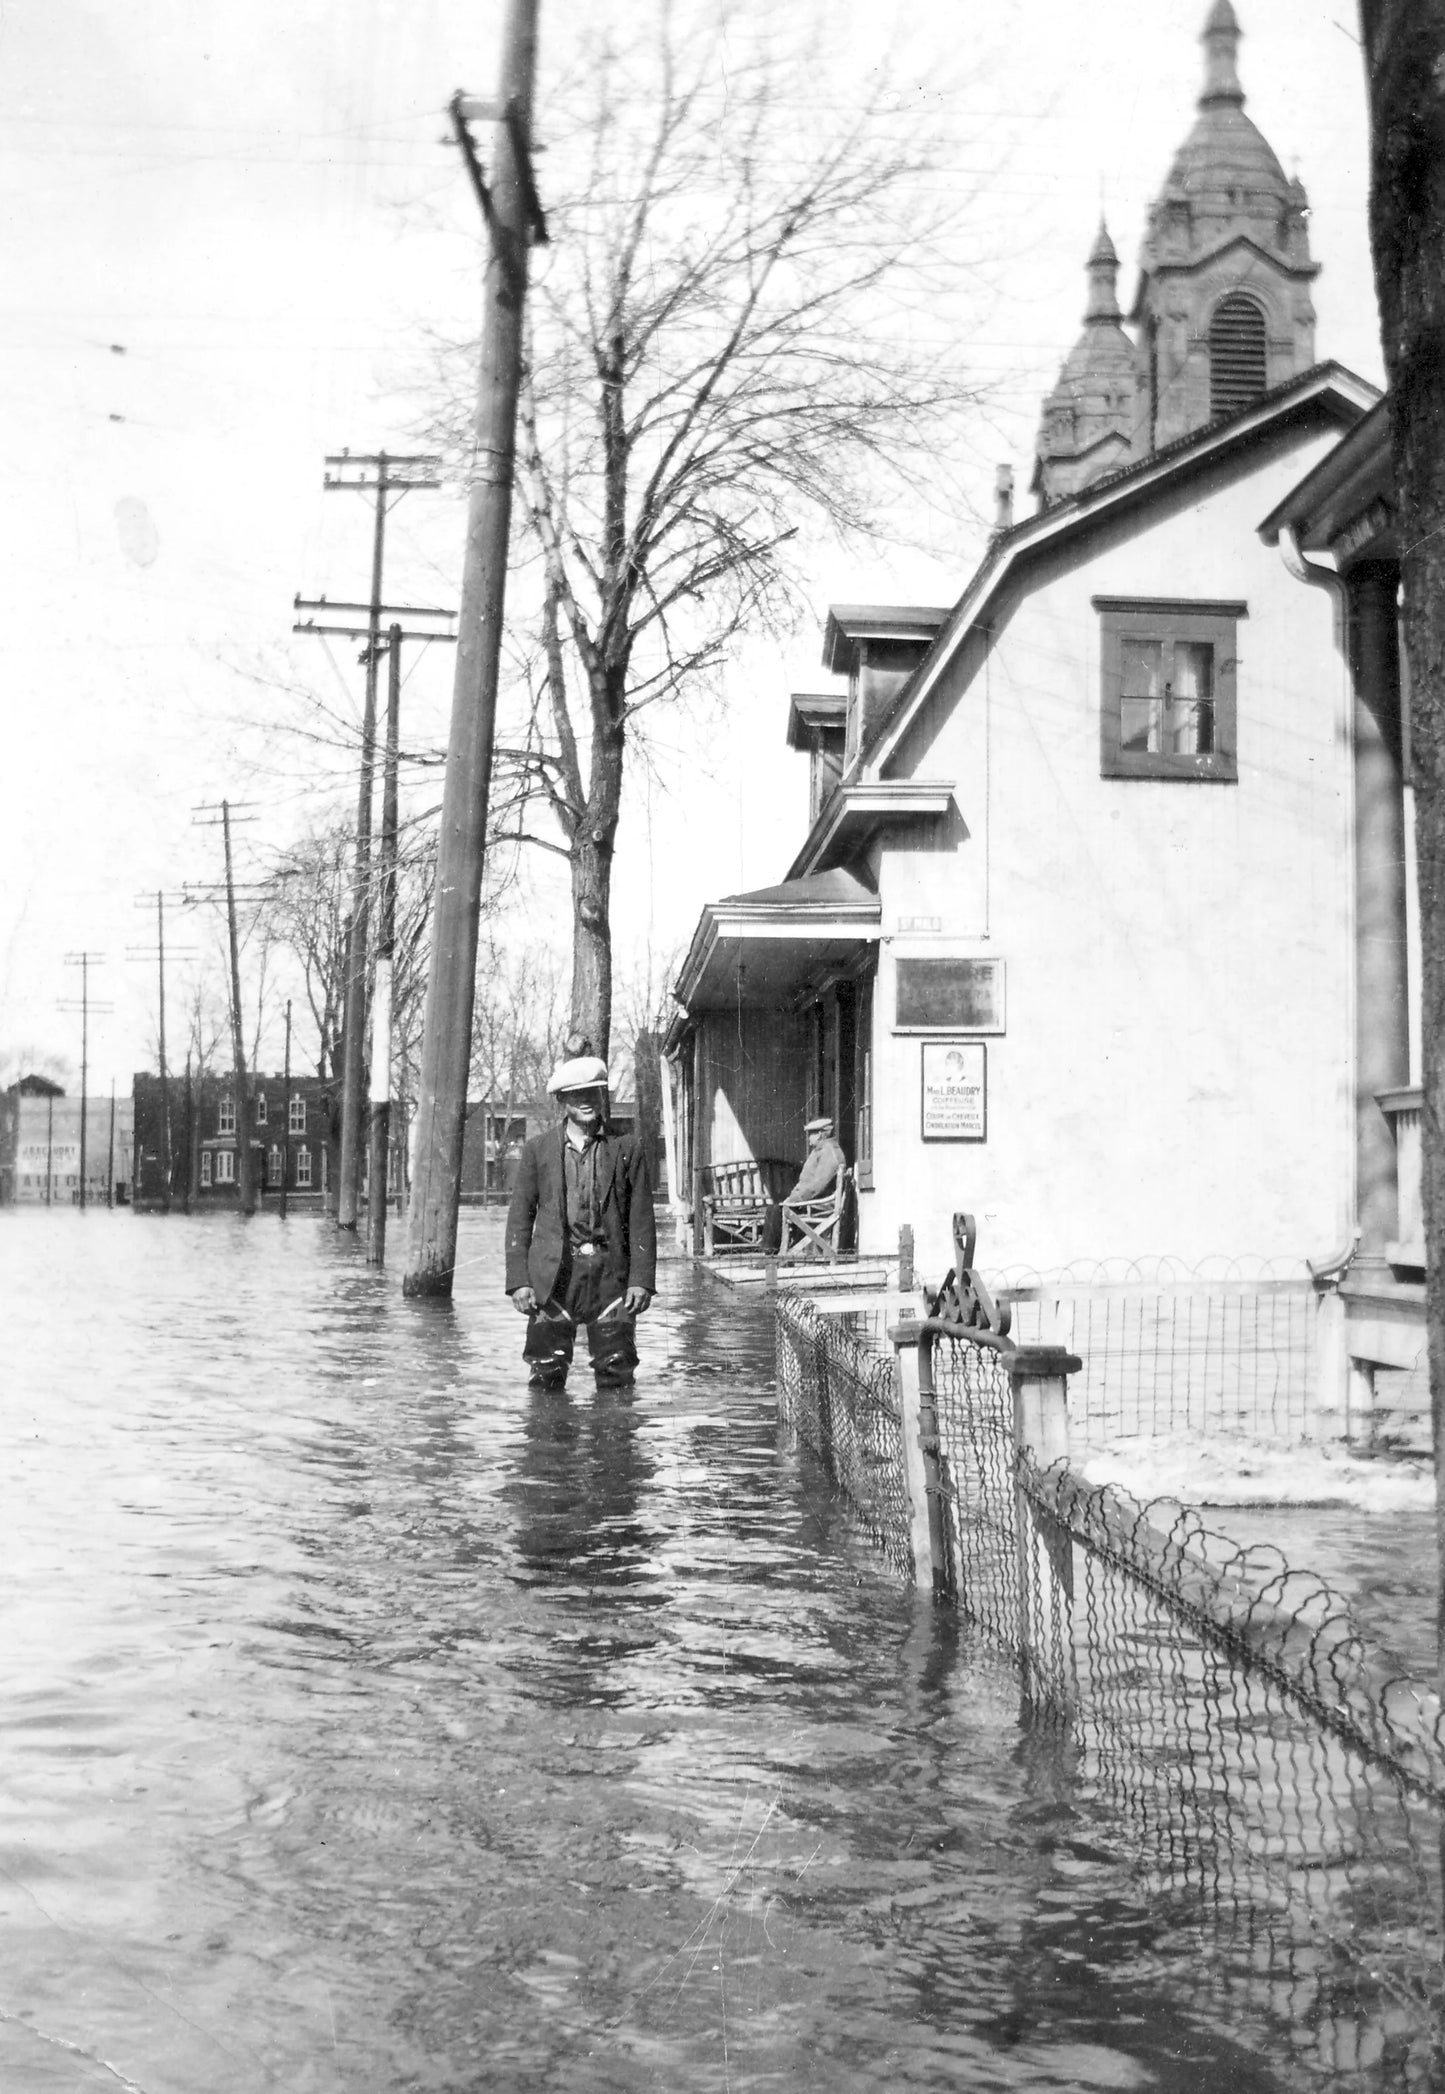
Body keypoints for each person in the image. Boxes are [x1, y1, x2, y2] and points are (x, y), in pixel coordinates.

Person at [504, 1054, 657, 1391]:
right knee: (547, 1375)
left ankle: (615, 1439)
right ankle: (550, 1442)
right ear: (562, 1100)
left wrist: (641, 1281)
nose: (587, 1101)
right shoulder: (537, 1151)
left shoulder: (627, 1148)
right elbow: (519, 1220)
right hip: (555, 1279)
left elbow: (642, 1219)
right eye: (577, 1094)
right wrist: (519, 1281)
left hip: (611, 1278)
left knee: (617, 1374)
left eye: (594, 1093)